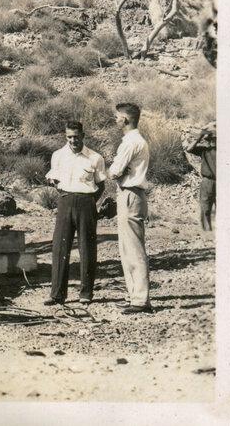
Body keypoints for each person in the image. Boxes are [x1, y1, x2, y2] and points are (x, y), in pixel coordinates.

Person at [44, 121, 107, 306]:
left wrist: (88, 201)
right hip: (64, 200)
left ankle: (86, 293)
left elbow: (100, 184)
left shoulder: (95, 158)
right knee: (59, 247)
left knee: (86, 247)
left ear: (83, 136)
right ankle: (57, 294)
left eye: (76, 137)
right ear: (66, 136)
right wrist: (62, 192)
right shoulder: (58, 155)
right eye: (69, 137)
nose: (73, 141)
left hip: (86, 202)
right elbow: (54, 179)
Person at [109, 103, 152, 314]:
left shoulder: (131, 143)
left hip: (130, 193)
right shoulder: (134, 141)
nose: (115, 120)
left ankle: (140, 299)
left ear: (125, 119)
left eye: (118, 117)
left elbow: (115, 171)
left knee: (133, 247)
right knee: (127, 247)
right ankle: (134, 294)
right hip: (131, 193)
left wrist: (115, 169)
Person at [186, 122, 216, 231]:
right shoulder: (204, 150)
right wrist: (199, 136)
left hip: (216, 182)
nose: (210, 142)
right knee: (205, 208)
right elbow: (189, 149)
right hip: (207, 181)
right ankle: (207, 233)